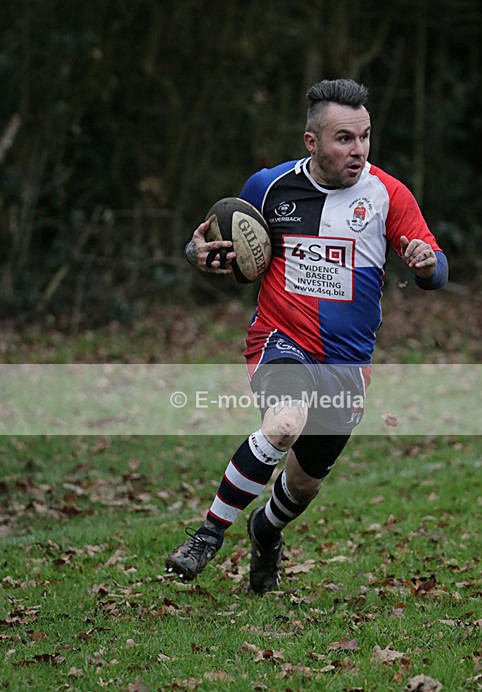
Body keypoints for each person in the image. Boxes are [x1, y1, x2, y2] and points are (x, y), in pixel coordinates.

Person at [165, 78, 448, 593]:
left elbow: (438, 270)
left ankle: (265, 529)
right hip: (281, 336)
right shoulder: (268, 187)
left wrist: (426, 265)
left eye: (364, 137)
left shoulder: (388, 194)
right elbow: (216, 243)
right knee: (284, 423)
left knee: (303, 482)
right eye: (344, 138)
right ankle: (208, 534)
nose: (358, 150)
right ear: (311, 142)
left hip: (347, 361)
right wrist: (197, 255)